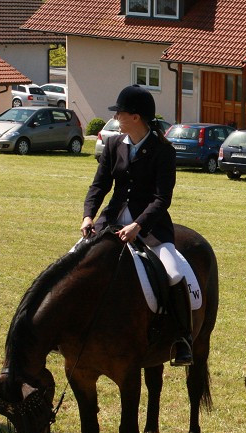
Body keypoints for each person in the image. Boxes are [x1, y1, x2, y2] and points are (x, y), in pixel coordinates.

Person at [81, 84, 193, 366]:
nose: (116, 116)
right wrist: (88, 215)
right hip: (112, 222)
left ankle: (182, 340)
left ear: (135, 117)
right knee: (74, 259)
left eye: (120, 112)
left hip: (152, 229)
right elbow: (100, 185)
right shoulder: (113, 144)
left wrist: (138, 227)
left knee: (175, 273)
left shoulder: (163, 151)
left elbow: (161, 198)